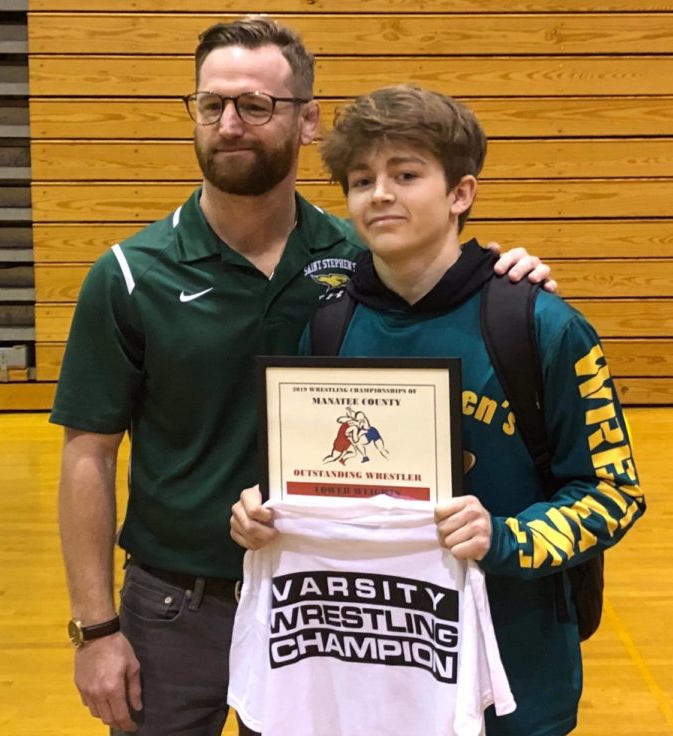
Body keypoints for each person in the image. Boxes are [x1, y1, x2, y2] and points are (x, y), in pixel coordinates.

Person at [52, 16, 554, 736]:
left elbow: (453, 286)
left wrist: (511, 272)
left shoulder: (365, 258)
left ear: (308, 120)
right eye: (211, 104)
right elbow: (88, 456)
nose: (230, 123)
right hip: (174, 607)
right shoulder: (130, 275)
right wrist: (95, 630)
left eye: (256, 105)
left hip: (324, 601)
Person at [230, 85, 646, 735]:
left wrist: (504, 537)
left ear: (461, 194)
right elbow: (315, 486)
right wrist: (266, 514)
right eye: (362, 179)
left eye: (407, 174)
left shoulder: (542, 326)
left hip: (514, 681)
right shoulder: (328, 327)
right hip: (366, 683)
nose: (381, 194)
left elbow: (615, 494)